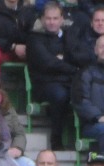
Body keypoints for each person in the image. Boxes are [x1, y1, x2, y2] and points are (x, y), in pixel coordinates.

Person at [27, 2, 79, 150]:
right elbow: (48, 63)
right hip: (45, 84)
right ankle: (56, 139)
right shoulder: (34, 38)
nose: (52, 22)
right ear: (42, 19)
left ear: (62, 19)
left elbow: (78, 55)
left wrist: (63, 61)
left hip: (68, 81)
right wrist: (72, 67)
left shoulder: (68, 36)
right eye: (48, 18)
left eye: (55, 18)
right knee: (60, 95)